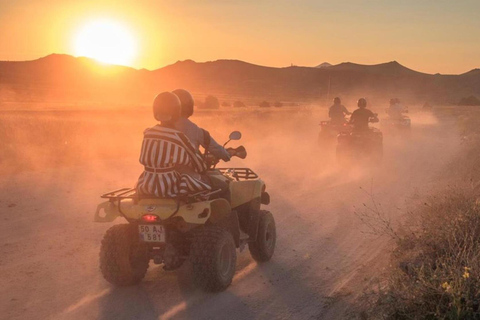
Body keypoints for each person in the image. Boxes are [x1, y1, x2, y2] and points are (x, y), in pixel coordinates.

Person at [136, 92, 211, 198]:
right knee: (208, 185)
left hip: (145, 185)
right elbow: (198, 164)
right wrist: (202, 166)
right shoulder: (179, 137)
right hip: (169, 188)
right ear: (177, 112)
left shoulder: (147, 133)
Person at [172, 89, 231, 162]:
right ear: (189, 107)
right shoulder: (196, 130)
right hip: (189, 171)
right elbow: (218, 150)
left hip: (163, 170)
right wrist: (226, 154)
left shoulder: (159, 129)